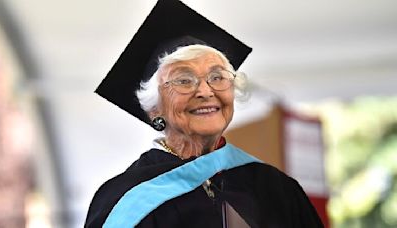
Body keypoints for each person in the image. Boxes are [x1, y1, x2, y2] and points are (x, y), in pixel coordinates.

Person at [85, 0, 324, 227]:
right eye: (184, 80)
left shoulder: (275, 189)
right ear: (154, 108)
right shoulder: (125, 200)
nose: (205, 91)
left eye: (217, 77)